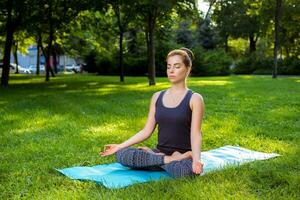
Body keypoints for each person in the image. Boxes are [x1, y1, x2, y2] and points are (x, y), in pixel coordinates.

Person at [100, 47, 205, 178]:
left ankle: (159, 159)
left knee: (185, 172)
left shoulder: (195, 99)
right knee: (121, 154)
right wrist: (119, 146)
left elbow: (195, 134)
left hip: (185, 155)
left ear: (188, 69)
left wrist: (196, 160)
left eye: (177, 66)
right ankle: (166, 159)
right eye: (169, 66)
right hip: (160, 152)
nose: (171, 71)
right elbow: (146, 131)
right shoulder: (157, 97)